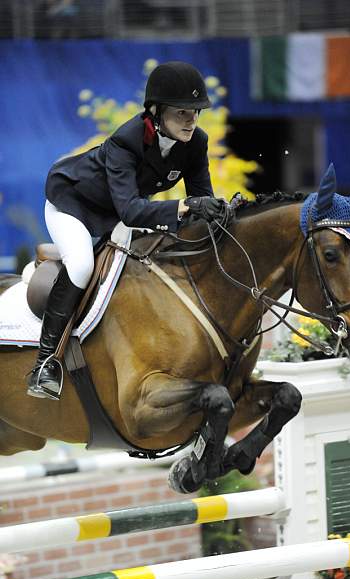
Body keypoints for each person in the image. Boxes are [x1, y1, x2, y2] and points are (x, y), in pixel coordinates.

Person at [27, 61, 224, 400]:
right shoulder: (125, 142)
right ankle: (45, 364)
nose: (191, 120)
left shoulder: (195, 142)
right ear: (156, 112)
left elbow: (200, 199)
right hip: (72, 203)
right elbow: (133, 211)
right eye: (182, 113)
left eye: (195, 112)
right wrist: (185, 208)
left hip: (116, 212)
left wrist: (219, 209)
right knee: (82, 265)